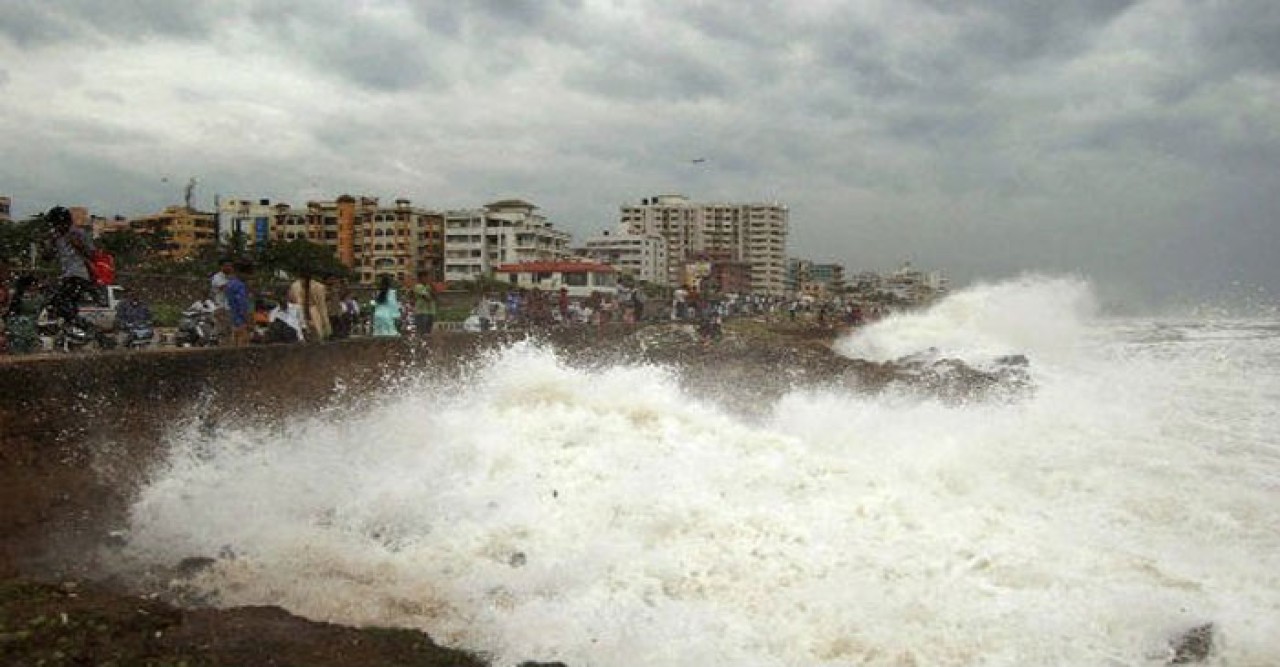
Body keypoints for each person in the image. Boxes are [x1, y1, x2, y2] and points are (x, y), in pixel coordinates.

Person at [46, 206, 98, 330]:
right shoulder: (56, 237)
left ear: (65, 222)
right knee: (65, 308)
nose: (55, 227)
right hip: (66, 276)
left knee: (59, 304)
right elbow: (47, 257)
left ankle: (88, 330)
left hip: (79, 275)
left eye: (57, 224)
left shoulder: (78, 233)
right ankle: (81, 333)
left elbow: (92, 255)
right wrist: (50, 244)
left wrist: (77, 244)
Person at [288, 271, 331, 341]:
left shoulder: (319, 287)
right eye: (302, 279)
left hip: (313, 310)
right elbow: (292, 300)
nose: (303, 281)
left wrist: (326, 325)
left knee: (317, 332)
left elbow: (322, 306)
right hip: (299, 311)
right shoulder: (295, 286)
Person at [225, 264, 251, 347]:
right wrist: (247, 318)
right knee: (243, 345)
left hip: (231, 317)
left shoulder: (229, 284)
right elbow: (241, 303)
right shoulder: (240, 286)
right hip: (240, 319)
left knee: (233, 344)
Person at [210, 261, 233, 342]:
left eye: (230, 266)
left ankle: (226, 345)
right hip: (221, 306)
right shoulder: (217, 277)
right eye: (227, 266)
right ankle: (215, 341)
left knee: (229, 328)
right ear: (222, 267)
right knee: (221, 327)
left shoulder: (230, 277)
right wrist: (233, 283)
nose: (229, 268)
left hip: (230, 306)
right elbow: (222, 287)